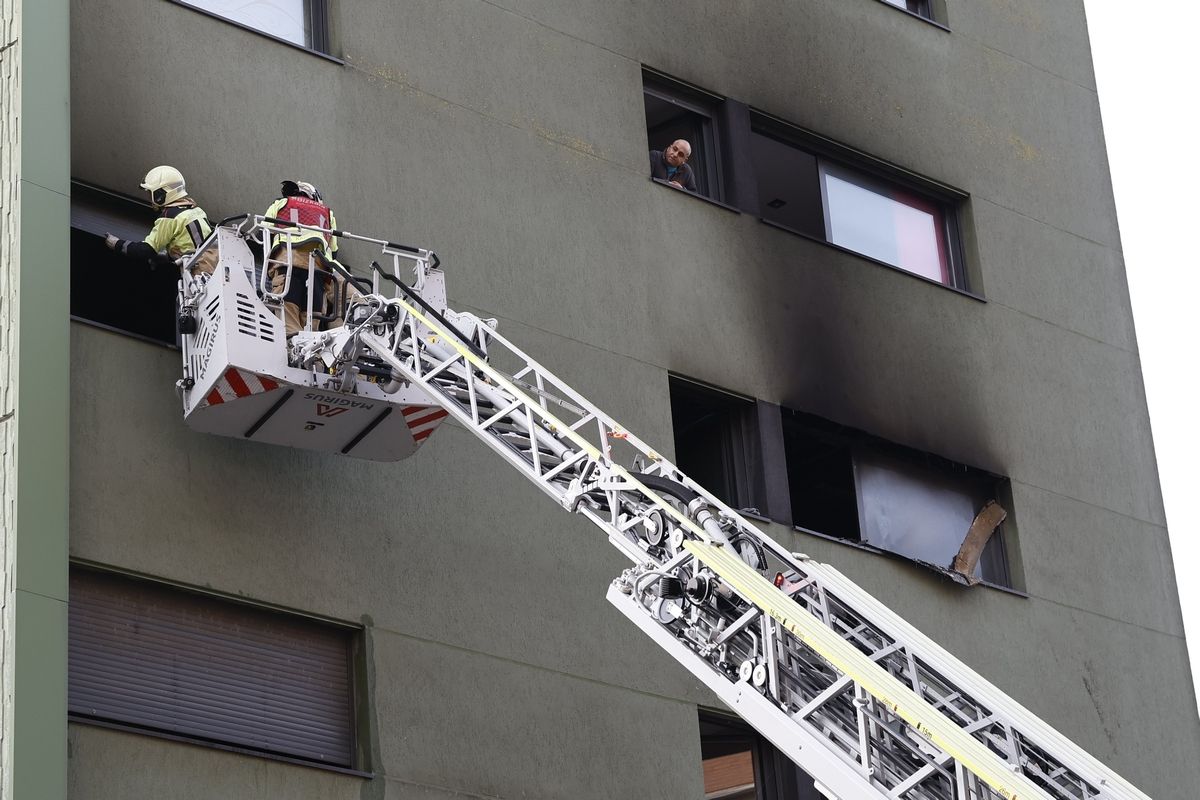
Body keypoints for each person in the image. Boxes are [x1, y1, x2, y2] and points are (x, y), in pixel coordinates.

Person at [263, 180, 345, 336]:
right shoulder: (327, 213)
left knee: (287, 316)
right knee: (311, 325)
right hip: (318, 272)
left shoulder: (281, 204)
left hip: (286, 265)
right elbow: (333, 252)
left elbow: (264, 232)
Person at [104, 165, 218, 276]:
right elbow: (192, 246)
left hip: (199, 275)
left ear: (160, 194)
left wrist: (117, 244)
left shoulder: (169, 217)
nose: (149, 198)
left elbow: (145, 250)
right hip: (216, 269)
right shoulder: (196, 210)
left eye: (150, 193)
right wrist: (167, 256)